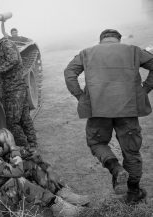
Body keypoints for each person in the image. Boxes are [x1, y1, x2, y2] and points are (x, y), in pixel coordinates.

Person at [64, 29, 153, 204]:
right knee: (131, 151)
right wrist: (145, 89)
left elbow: (69, 73)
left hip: (98, 110)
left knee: (97, 142)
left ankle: (115, 168)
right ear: (118, 40)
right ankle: (133, 192)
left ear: (101, 40)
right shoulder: (133, 50)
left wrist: (81, 96)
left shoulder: (87, 53)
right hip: (128, 109)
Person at [0, 129, 85, 217]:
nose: (13, 146)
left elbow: (31, 153)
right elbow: (18, 171)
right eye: (10, 144)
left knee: (29, 165)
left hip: (0, 193)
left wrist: (49, 170)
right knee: (17, 181)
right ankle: (57, 206)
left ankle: (61, 192)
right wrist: (13, 148)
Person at [0, 34, 37, 154]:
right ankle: (32, 146)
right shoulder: (1, 48)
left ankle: (23, 148)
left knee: (13, 122)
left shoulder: (6, 44)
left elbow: (14, 60)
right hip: (16, 88)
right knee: (25, 119)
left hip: (14, 89)